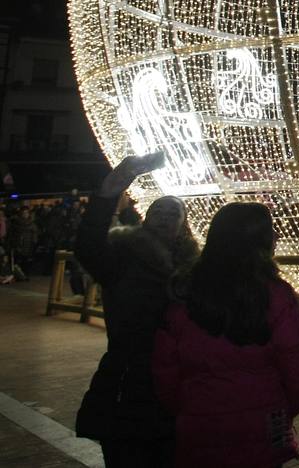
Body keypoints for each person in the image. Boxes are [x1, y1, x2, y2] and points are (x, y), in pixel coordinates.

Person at [152, 202, 299, 467]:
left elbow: (165, 369)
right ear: (258, 239)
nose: (277, 237)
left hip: (199, 421)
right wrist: (282, 408)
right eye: (271, 231)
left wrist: (187, 408)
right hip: (263, 422)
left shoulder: (183, 291)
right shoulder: (276, 294)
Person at [75, 154, 197, 467]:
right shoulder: (123, 256)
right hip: (128, 377)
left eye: (174, 213)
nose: (165, 216)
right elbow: (88, 247)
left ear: (183, 226)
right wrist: (107, 194)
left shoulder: (193, 269)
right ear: (145, 216)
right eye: (159, 210)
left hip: (181, 382)